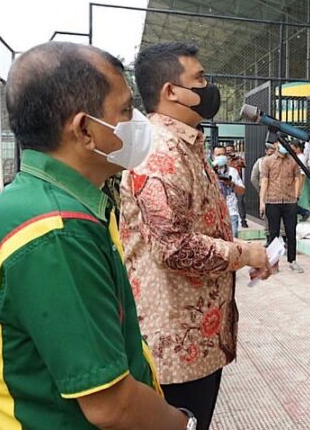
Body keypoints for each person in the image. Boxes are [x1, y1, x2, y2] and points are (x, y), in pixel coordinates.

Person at [0, 42, 192, 429]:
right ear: (85, 129)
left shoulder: (42, 201)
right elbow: (112, 406)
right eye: (125, 111)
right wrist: (184, 424)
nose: (137, 122)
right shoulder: (55, 234)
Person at [121, 42, 269, 430]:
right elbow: (174, 247)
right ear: (171, 91)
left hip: (195, 340)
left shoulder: (186, 144)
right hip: (172, 350)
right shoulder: (160, 151)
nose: (209, 87)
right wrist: (245, 253)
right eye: (199, 79)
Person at [260, 140, 304, 272]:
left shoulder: (293, 160)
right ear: (276, 145)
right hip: (272, 201)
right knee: (273, 233)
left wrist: (296, 196)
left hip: (290, 201)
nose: (285, 147)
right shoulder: (267, 161)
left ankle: (292, 260)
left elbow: (297, 178)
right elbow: (264, 180)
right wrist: (262, 201)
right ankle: (274, 262)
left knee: (291, 232)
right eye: (281, 144)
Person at [212, 146, 245, 237]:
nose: (221, 157)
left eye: (223, 154)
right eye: (218, 155)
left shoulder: (232, 171)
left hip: (231, 212)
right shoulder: (208, 171)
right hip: (214, 213)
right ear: (213, 156)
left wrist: (231, 184)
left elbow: (242, 191)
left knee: (233, 239)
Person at [225, 144, 248, 228]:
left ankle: (243, 219)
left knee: (240, 201)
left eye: (230, 150)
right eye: (227, 150)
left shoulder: (238, 159)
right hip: (227, 186)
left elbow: (244, 165)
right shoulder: (224, 161)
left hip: (237, 183)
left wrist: (235, 158)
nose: (228, 152)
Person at [290, 140, 310, 221]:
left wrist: (298, 188)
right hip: (294, 180)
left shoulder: (301, 158)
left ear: (297, 148)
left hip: (297, 180)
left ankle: (304, 212)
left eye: (293, 148)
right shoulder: (296, 157)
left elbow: (301, 174)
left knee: (292, 202)